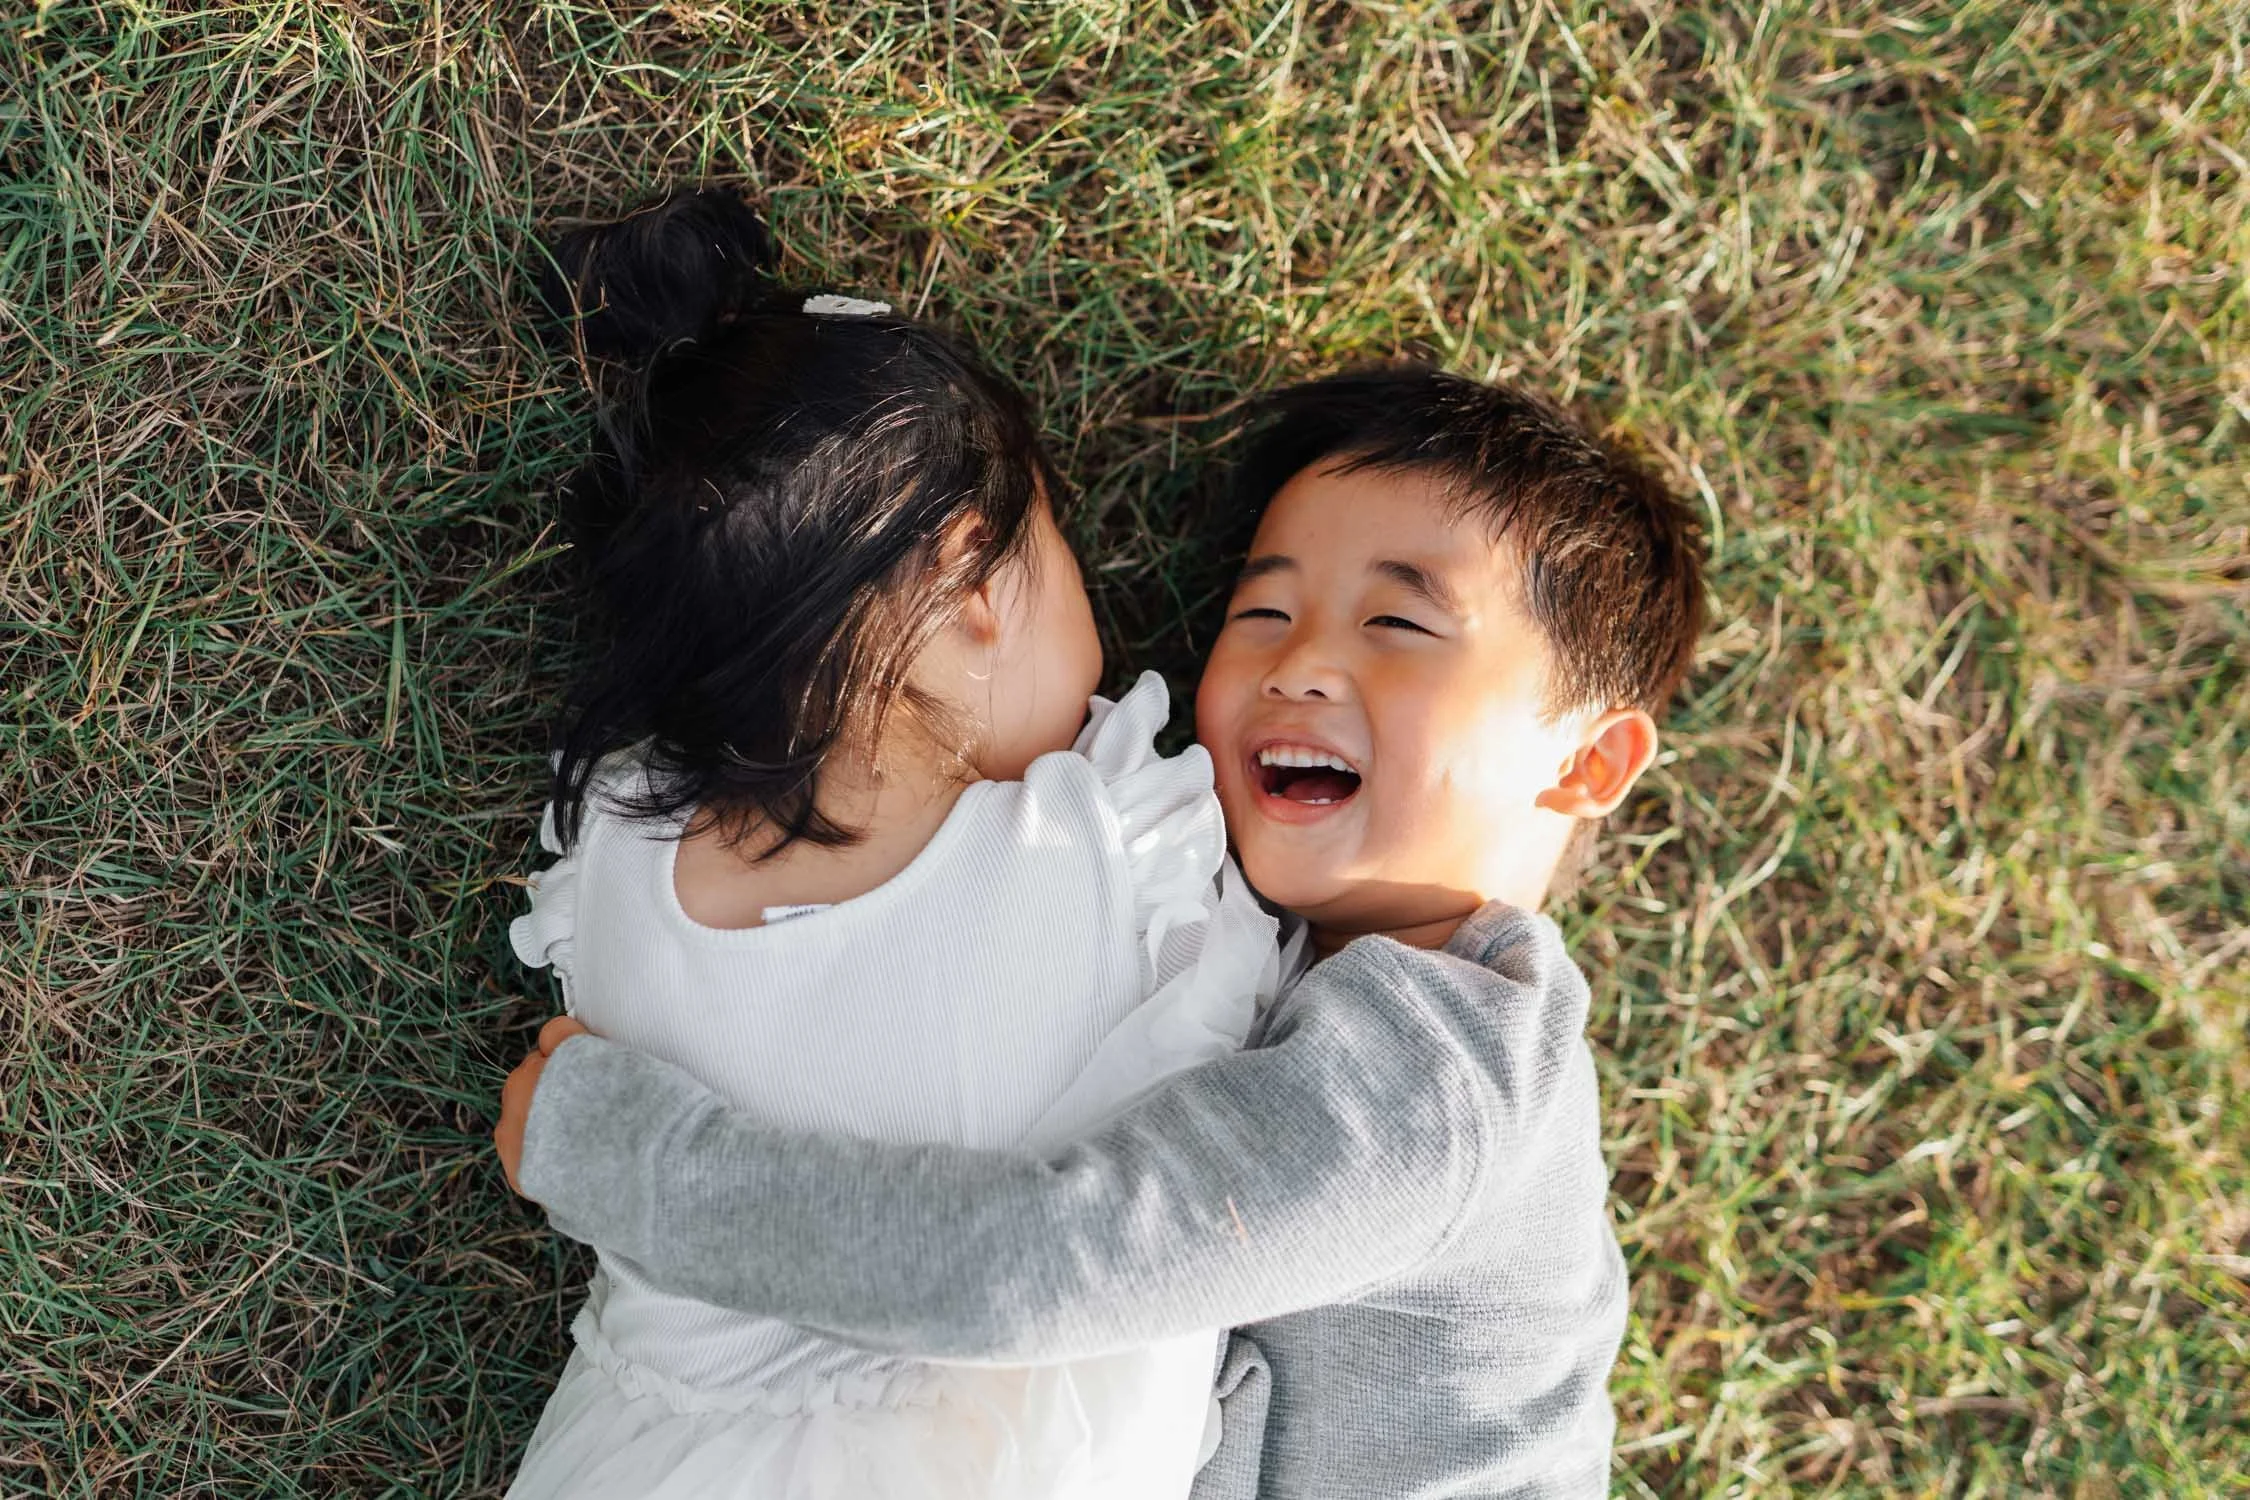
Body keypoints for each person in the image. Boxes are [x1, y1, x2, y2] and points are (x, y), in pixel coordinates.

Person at [498, 364, 1710, 1498]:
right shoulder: (1314, 989)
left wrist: (637, 1166)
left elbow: (1042, 1264)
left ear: (1587, 759)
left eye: (1398, 626)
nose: (1302, 665)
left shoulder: (1444, 1088)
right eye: (1265, 609)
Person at [498, 187, 1282, 1500]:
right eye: (1065, 543)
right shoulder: (1093, 856)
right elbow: (1243, 1017)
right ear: (978, 586)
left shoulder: (619, 872)